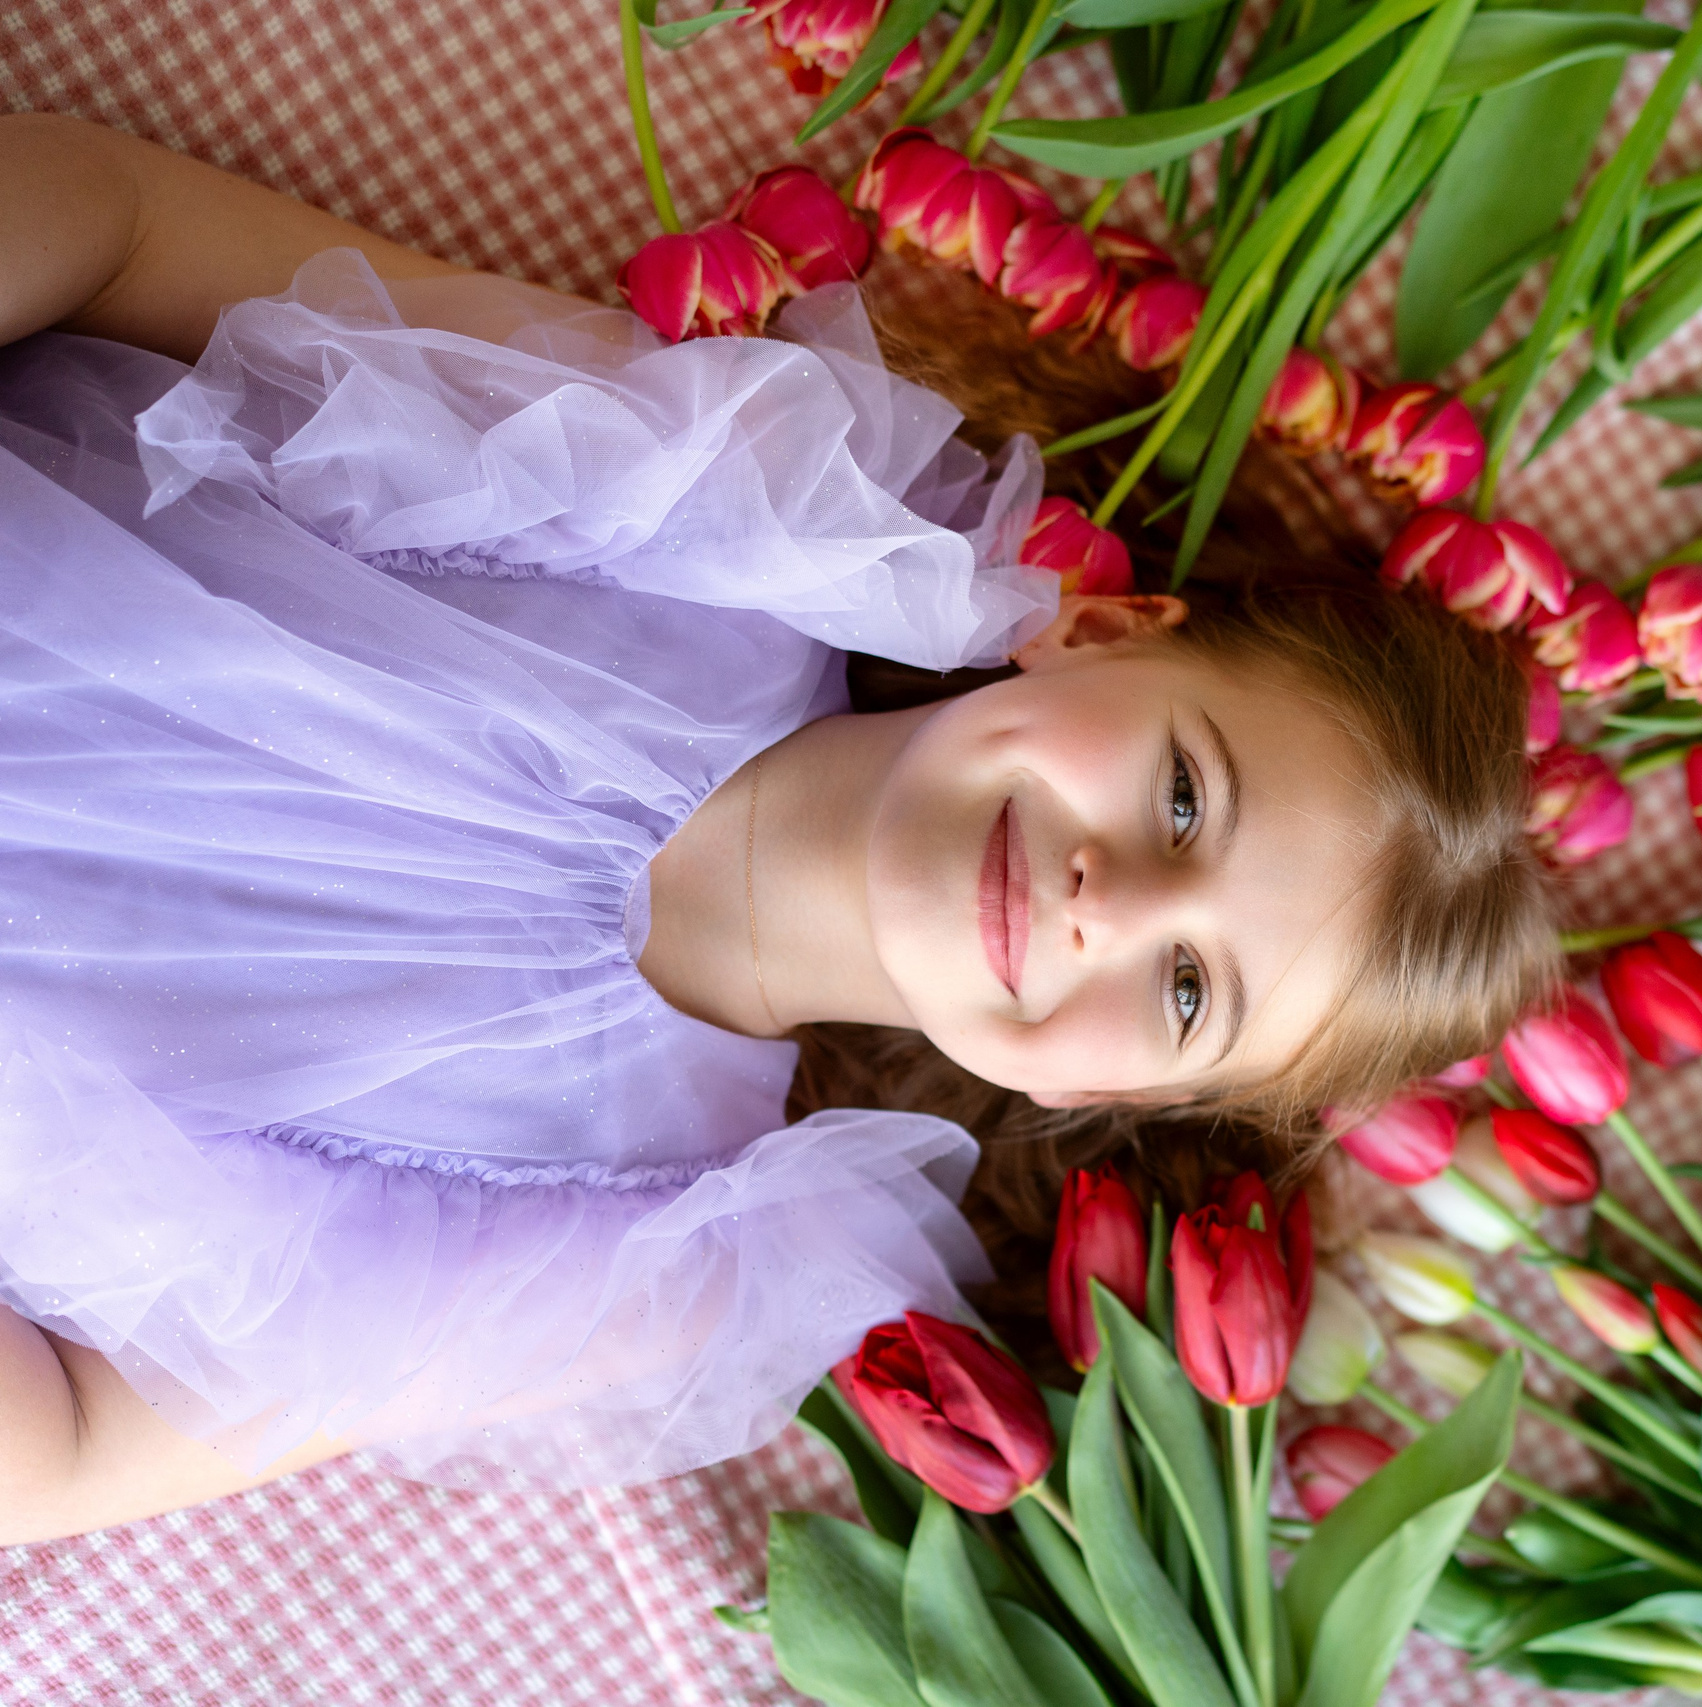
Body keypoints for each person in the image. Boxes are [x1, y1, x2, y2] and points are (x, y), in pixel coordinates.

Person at [0, 114, 1559, 1543]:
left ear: (1097, 1087)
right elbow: (121, 223)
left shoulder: (653, 1258)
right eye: (1181, 798)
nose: (1113, 900)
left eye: (1185, 990)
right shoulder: (702, 515)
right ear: (1102, 633)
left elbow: (65, 1448)